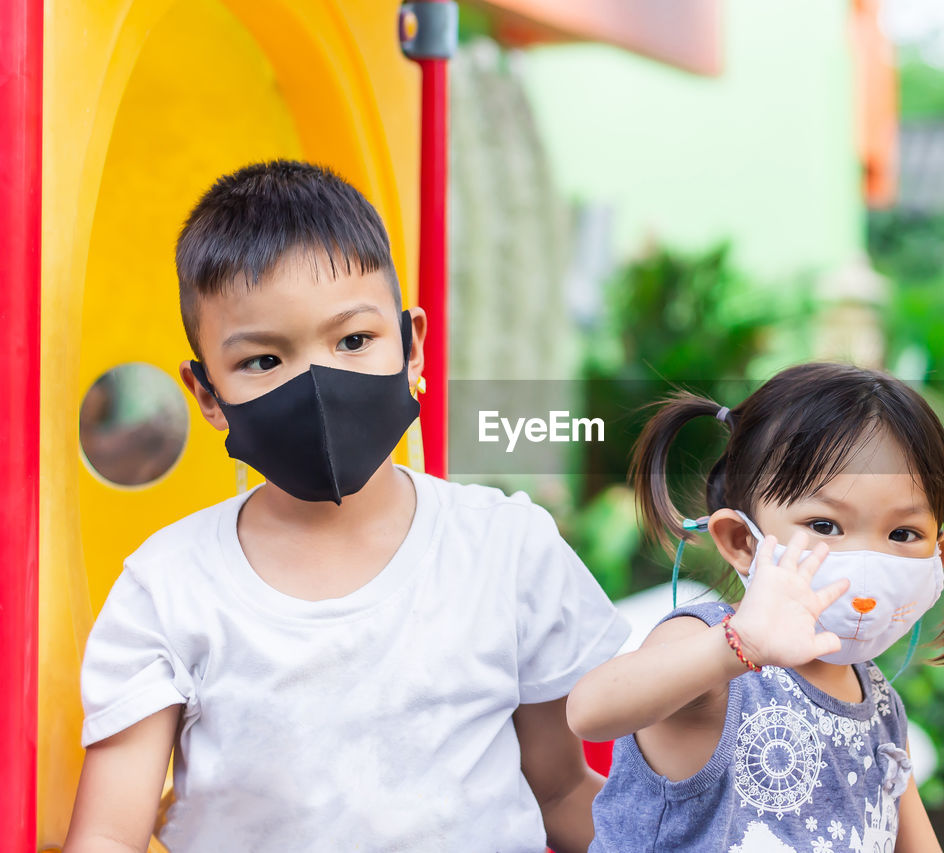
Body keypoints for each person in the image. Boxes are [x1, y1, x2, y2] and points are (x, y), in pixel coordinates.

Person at [64, 160, 629, 853]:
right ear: (207, 392)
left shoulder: (506, 549)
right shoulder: (168, 587)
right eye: (263, 361)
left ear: (412, 343)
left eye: (354, 341)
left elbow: (564, 794)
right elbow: (108, 836)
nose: (317, 385)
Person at [567, 363, 944, 852]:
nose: (865, 562)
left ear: (936, 559)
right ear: (742, 541)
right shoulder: (716, 651)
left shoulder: (879, 704)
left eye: (903, 534)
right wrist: (736, 648)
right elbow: (590, 711)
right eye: (825, 525)